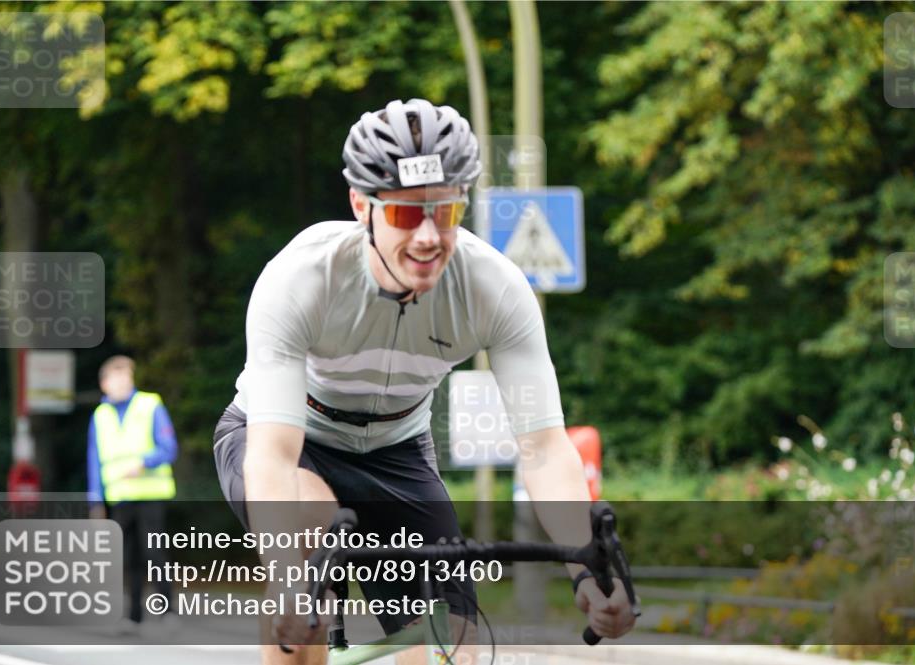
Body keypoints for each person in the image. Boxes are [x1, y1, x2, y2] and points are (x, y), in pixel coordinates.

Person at [213, 98, 635, 665]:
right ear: (361, 206)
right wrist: (286, 573)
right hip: (293, 439)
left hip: (397, 452)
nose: (430, 237)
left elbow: (542, 448)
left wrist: (587, 567)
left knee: (450, 647)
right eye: (408, 214)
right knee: (308, 553)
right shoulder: (302, 278)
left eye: (447, 211)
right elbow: (273, 459)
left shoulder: (494, 288)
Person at [88, 355, 178, 631]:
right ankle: (134, 616)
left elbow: (169, 447)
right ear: (105, 384)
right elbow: (94, 459)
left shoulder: (149, 404)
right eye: (116, 378)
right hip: (119, 496)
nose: (123, 382)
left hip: (150, 493)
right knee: (129, 558)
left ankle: (166, 612)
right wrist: (95, 500)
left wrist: (144, 462)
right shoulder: (100, 416)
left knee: (155, 553)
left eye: (127, 377)